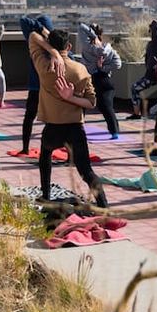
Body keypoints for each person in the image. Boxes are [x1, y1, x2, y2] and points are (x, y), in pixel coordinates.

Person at [28, 27, 108, 208]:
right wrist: (71, 98)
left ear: (49, 45)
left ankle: (46, 195)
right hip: (75, 128)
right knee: (86, 170)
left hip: (53, 127)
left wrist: (52, 52)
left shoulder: (44, 66)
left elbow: (33, 36)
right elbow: (91, 102)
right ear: (69, 46)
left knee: (45, 156)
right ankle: (104, 205)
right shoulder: (80, 70)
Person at [78, 23, 124, 139]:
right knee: (107, 107)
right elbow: (118, 64)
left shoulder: (88, 48)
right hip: (104, 79)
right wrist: (103, 68)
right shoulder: (108, 50)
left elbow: (81, 27)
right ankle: (114, 131)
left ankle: (78, 128)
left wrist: (92, 35)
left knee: (81, 104)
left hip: (88, 79)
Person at [19, 15, 54, 155]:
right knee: (52, 119)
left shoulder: (34, 42)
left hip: (40, 87)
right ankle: (28, 147)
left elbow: (23, 20)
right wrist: (42, 29)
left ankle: (26, 147)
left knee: (31, 117)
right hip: (44, 87)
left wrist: (40, 28)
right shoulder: (40, 42)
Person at [127, 20, 157, 120]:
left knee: (135, 88)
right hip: (154, 74)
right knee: (135, 88)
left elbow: (156, 29)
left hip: (153, 75)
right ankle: (137, 113)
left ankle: (137, 113)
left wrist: (154, 24)